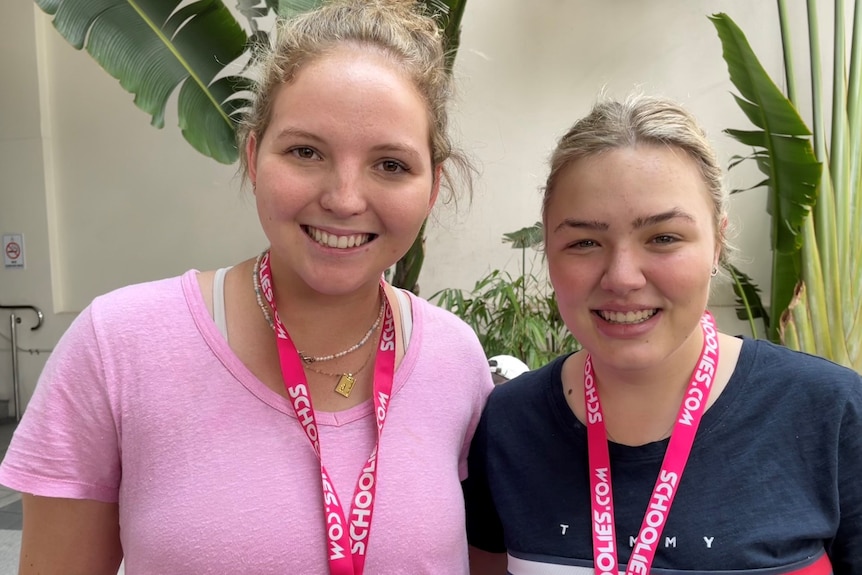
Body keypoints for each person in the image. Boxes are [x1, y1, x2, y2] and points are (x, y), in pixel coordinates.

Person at [0, 1, 495, 573]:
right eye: (306, 151)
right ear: (255, 156)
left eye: (390, 164)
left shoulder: (455, 363)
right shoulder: (119, 347)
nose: (344, 198)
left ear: (432, 188)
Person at [464, 94, 862, 575]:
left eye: (664, 238)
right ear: (548, 249)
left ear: (717, 242)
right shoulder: (508, 423)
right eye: (585, 242)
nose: (623, 277)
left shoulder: (829, 412)